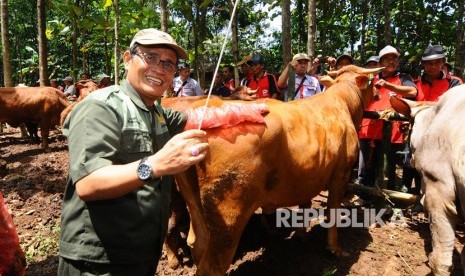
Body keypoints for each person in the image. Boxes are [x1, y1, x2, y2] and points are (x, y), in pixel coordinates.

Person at [58, 28, 209, 275]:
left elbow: (199, 115)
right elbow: (87, 183)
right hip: (99, 262)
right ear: (128, 58)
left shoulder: (155, 110)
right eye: (150, 57)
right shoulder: (101, 107)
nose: (160, 69)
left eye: (169, 64)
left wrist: (250, 109)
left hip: (141, 252)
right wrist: (156, 164)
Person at [358, 45, 417, 190]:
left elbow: (412, 91)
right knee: (366, 168)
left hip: (393, 133)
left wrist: (388, 86)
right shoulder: (370, 78)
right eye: (386, 59)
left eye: (394, 59)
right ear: (380, 63)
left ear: (398, 62)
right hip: (369, 130)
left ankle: (386, 200)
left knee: (388, 169)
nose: (390, 62)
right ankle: (365, 197)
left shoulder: (403, 77)